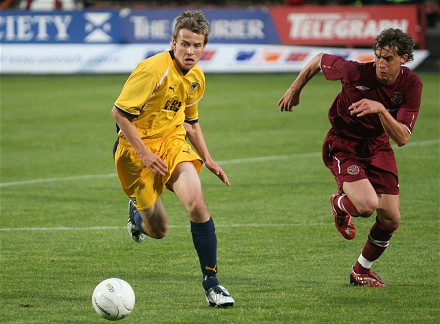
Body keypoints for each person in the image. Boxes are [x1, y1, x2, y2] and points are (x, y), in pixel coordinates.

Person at [277, 28, 422, 287]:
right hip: (344, 144)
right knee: (366, 206)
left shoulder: (411, 86)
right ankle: (339, 202)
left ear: (405, 58)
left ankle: (361, 270)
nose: (380, 63)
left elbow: (402, 138)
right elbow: (319, 59)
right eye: (377, 56)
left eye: (388, 59)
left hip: (378, 148)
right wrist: (294, 89)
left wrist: (379, 110)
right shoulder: (355, 72)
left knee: (391, 218)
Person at [111, 10, 234, 307]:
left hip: (172, 142)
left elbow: (191, 122)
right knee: (159, 230)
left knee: (197, 203)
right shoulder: (152, 69)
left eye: (196, 45)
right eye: (185, 44)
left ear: (204, 47)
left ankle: (212, 284)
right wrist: (145, 153)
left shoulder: (197, 77)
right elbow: (119, 114)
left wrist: (208, 158)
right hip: (135, 149)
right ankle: (137, 216)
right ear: (173, 42)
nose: (190, 51)